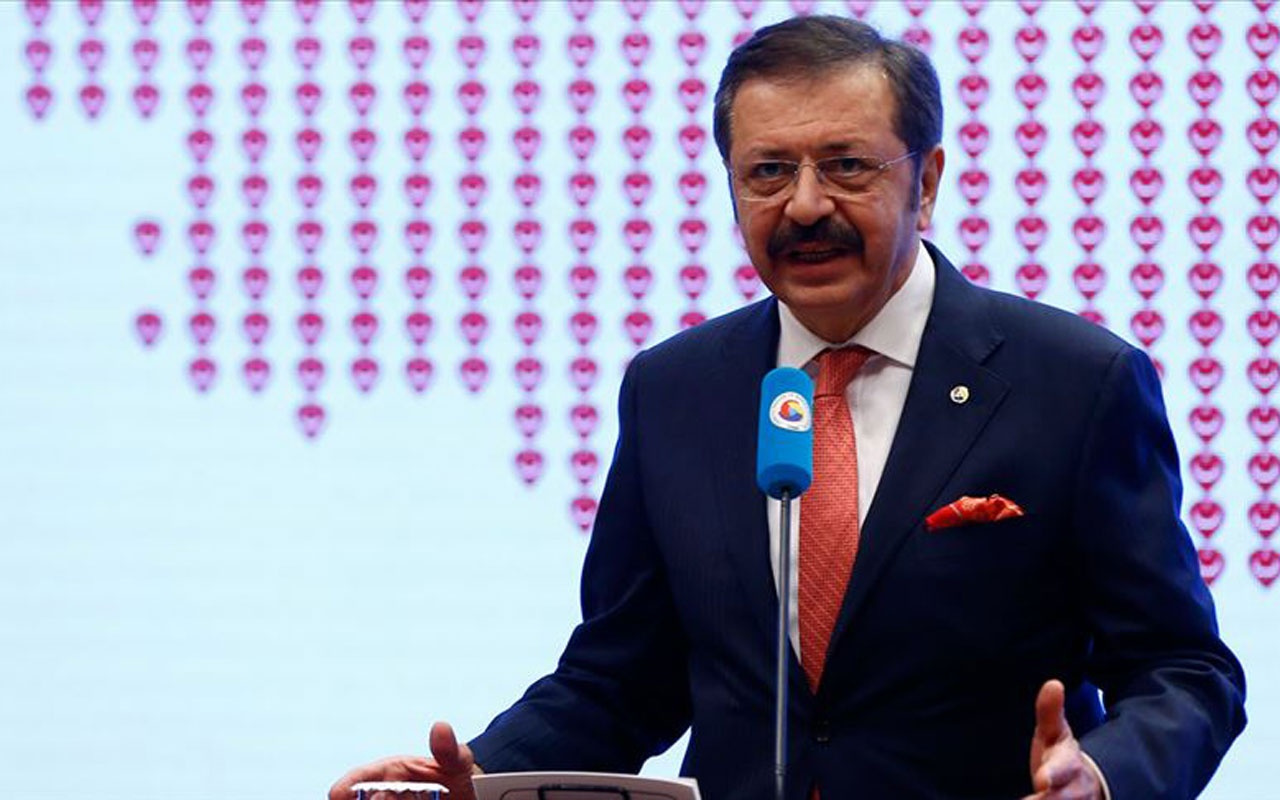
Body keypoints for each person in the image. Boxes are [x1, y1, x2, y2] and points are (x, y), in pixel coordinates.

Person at [331, 15, 1245, 800]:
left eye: (846, 166)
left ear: (926, 181)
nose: (805, 206)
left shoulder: (1075, 383)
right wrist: (479, 776)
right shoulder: (674, 390)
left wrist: (1106, 775)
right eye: (768, 172)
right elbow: (624, 676)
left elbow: (1186, 669)